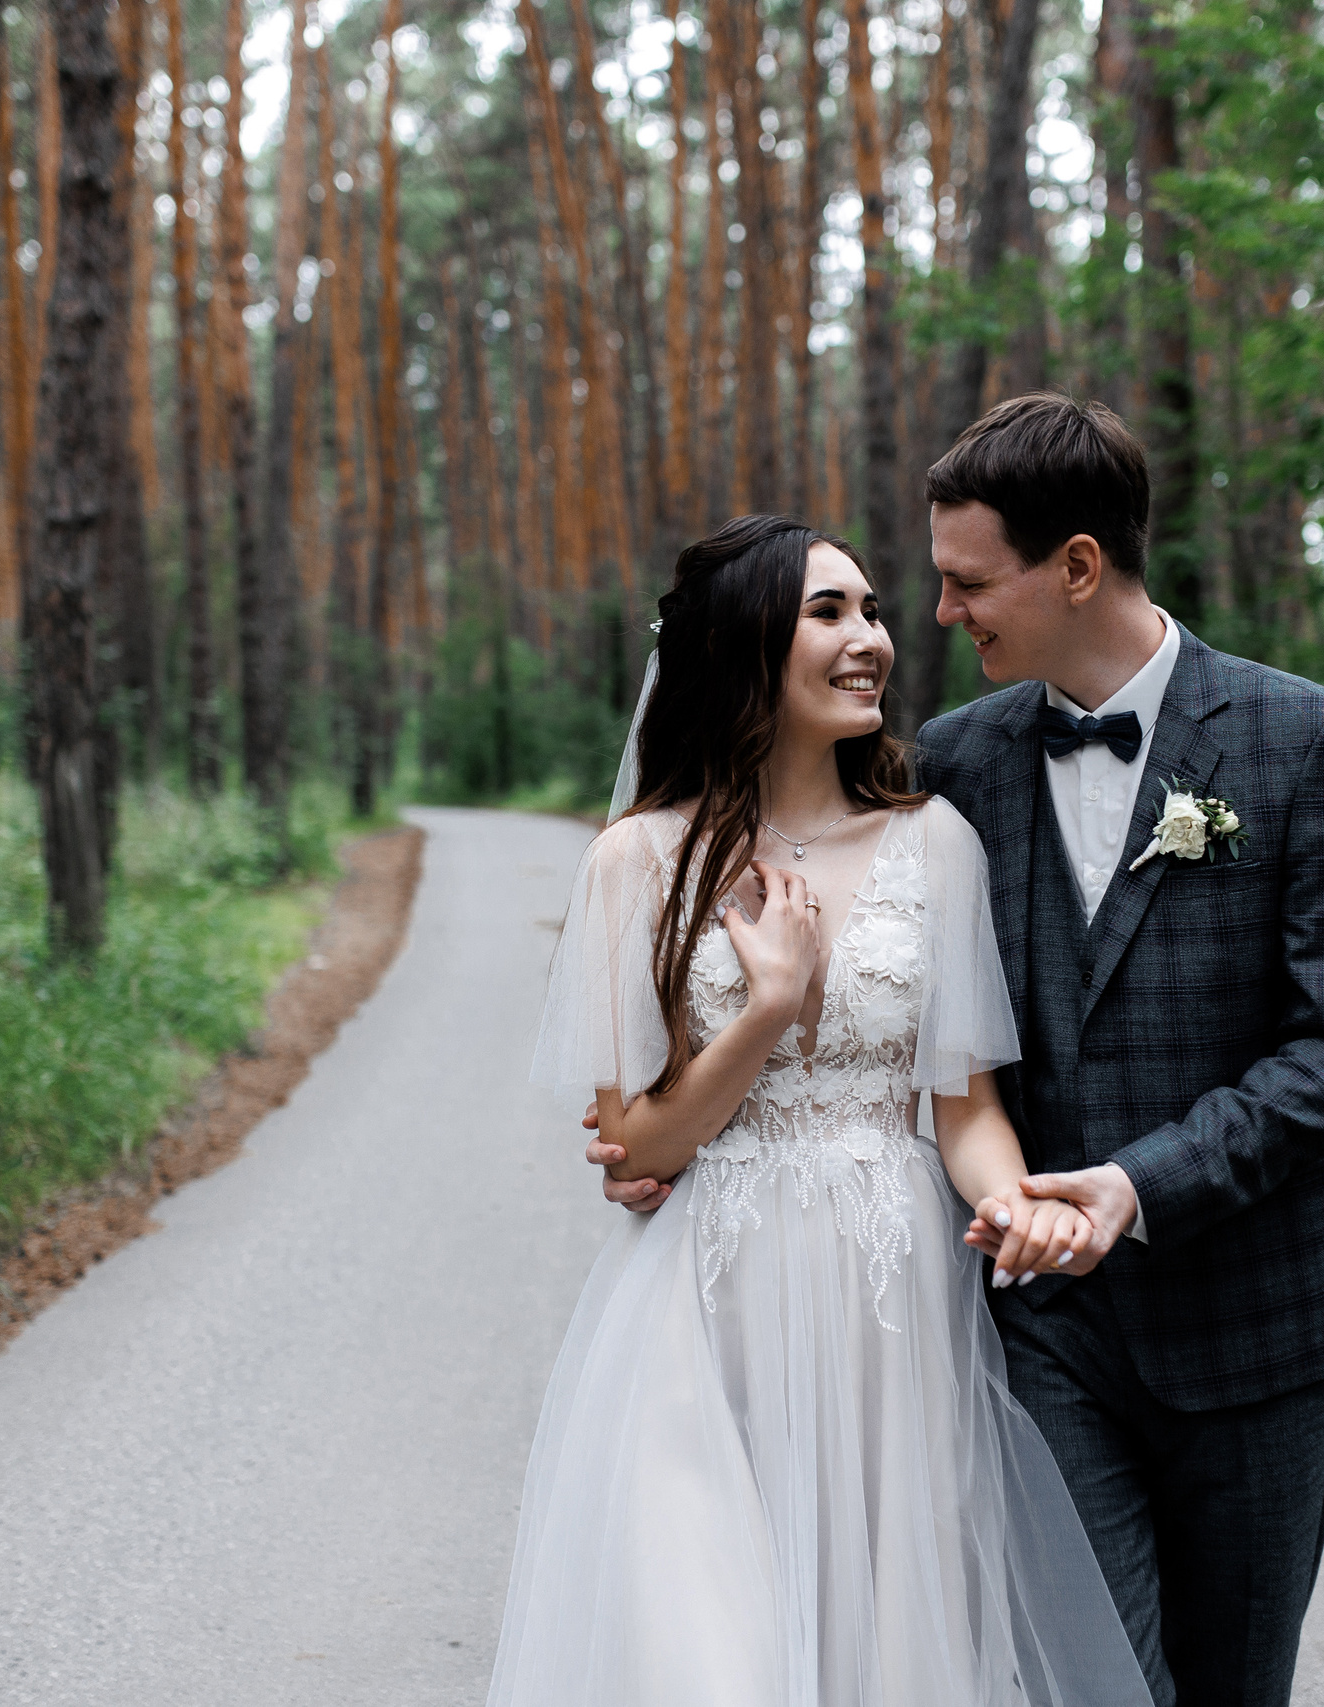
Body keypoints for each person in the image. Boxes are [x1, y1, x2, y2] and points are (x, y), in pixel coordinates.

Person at [593, 395, 1324, 1707]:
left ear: (1075, 565)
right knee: (1079, 1677)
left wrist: (1134, 1187)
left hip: (1253, 1320)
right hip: (1035, 1336)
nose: (938, 614)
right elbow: (891, 1006)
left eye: (967, 581)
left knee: (1234, 1685)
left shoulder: (1304, 739)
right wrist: (682, 1125)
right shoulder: (951, 768)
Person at [492, 514, 1154, 1707]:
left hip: (890, 1311)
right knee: (709, 1660)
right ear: (742, 645)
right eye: (828, 613)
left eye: (872, 611)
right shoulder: (634, 863)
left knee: (883, 1648)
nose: (872, 640)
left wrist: (1017, 1205)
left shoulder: (932, 843)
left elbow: (963, 1110)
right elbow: (637, 1138)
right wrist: (768, 1005)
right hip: (704, 1304)